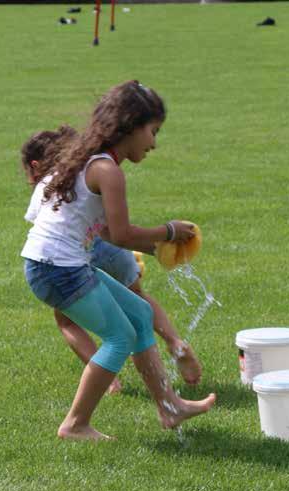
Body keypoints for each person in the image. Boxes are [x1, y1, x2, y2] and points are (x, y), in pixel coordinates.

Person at [20, 80, 216, 440]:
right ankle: (75, 424)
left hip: (56, 265)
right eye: (152, 131)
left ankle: (169, 406)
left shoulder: (92, 161)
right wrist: (167, 231)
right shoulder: (108, 171)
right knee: (120, 336)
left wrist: (159, 246)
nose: (154, 143)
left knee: (139, 314)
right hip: (56, 269)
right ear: (130, 124)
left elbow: (108, 233)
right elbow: (123, 236)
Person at [21, 127, 203, 396]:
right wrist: (158, 247)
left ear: (36, 165)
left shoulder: (52, 180)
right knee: (138, 299)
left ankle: (106, 381)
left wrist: (168, 232)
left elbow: (49, 226)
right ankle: (173, 342)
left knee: (72, 322)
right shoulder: (90, 169)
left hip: (65, 259)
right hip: (104, 247)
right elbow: (113, 232)